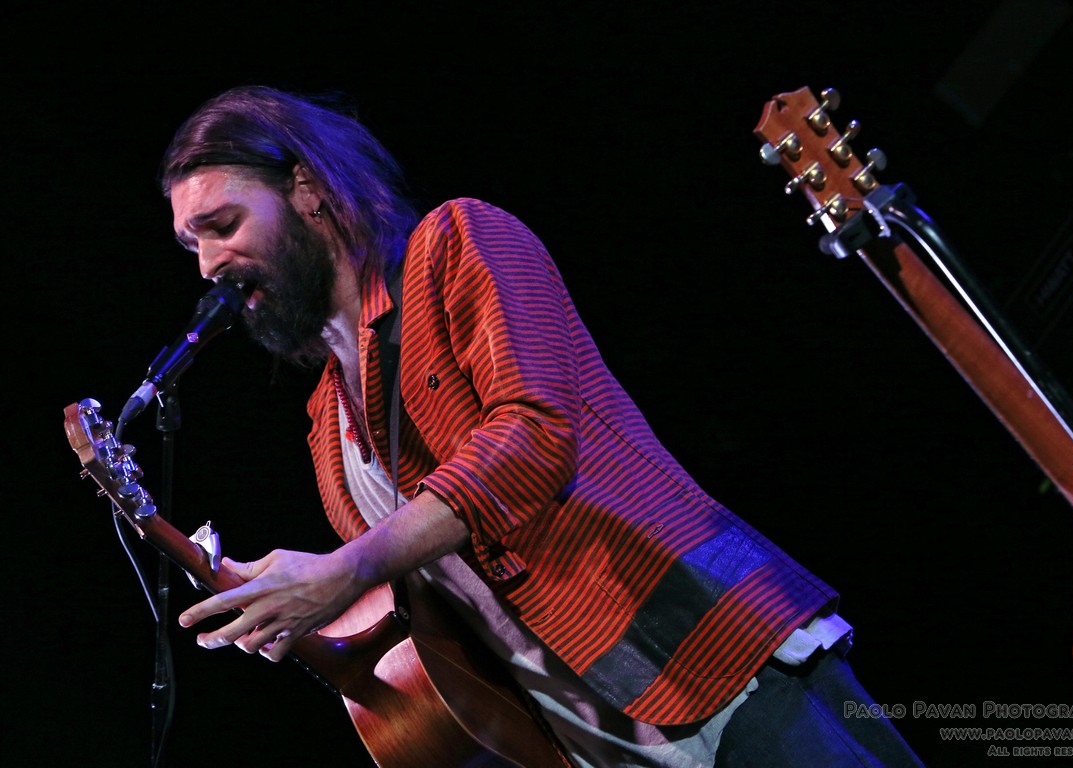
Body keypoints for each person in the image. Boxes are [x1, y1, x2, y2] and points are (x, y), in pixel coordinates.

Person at [167, 85, 922, 767]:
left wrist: (347, 568)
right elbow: (436, 614)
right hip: (604, 746)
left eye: (222, 224)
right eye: (190, 243)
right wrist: (299, 615)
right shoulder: (326, 427)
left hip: (712, 660)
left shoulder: (455, 244)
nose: (206, 263)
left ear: (306, 187)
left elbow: (534, 437)